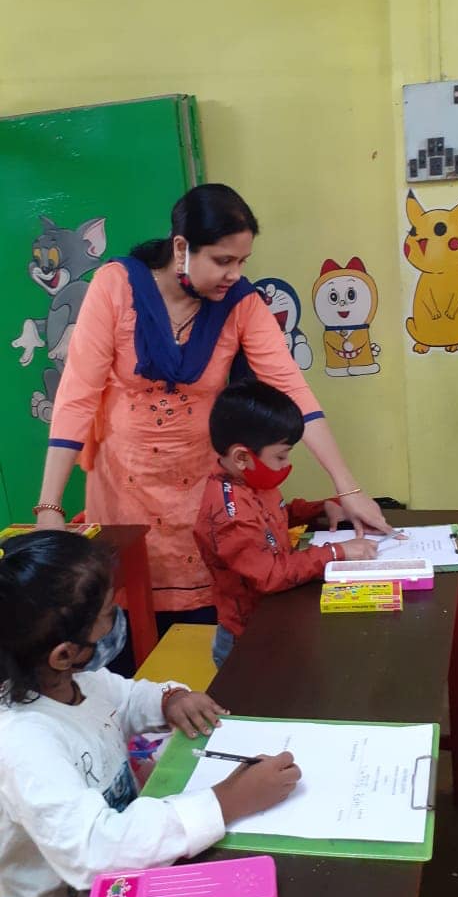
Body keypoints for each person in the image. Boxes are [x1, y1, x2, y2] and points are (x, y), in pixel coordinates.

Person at [35, 184, 391, 634]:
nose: (234, 274)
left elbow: (293, 390)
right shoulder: (115, 285)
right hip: (124, 486)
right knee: (131, 623)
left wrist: (348, 488)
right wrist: (50, 506)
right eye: (223, 261)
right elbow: (77, 396)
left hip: (200, 488)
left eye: (242, 261)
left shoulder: (241, 304)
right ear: (181, 248)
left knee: (209, 621)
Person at [0, 531, 301, 897]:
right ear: (64, 654)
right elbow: (96, 851)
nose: (117, 618)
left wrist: (169, 699)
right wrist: (226, 801)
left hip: (136, 878)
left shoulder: (76, 684)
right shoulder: (24, 744)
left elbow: (125, 698)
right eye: (109, 612)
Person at [194, 381, 379, 667]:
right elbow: (269, 575)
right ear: (242, 457)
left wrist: (322, 507)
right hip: (249, 641)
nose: (286, 464)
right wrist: (336, 551)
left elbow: (275, 516)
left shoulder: (251, 479)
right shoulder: (229, 514)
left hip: (275, 620)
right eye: (281, 456)